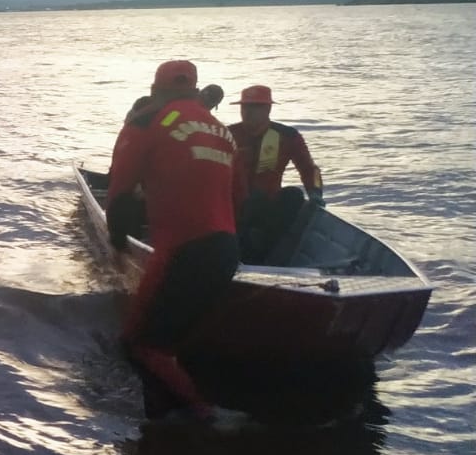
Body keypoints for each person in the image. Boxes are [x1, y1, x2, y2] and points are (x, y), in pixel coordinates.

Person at [105, 59, 241, 421]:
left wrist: (117, 244)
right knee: (171, 340)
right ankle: (179, 418)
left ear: (155, 90)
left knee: (139, 345)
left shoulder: (147, 121)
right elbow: (239, 196)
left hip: (183, 250)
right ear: (196, 90)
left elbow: (118, 194)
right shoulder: (221, 130)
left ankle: (205, 418)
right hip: (227, 249)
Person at [229, 84, 323, 263]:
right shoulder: (228, 134)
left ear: (268, 109)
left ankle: (264, 247)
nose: (248, 112)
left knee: (293, 195)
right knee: (254, 202)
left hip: (268, 211)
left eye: (255, 107)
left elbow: (309, 168)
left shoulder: (287, 136)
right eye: (245, 107)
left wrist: (315, 193)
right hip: (232, 207)